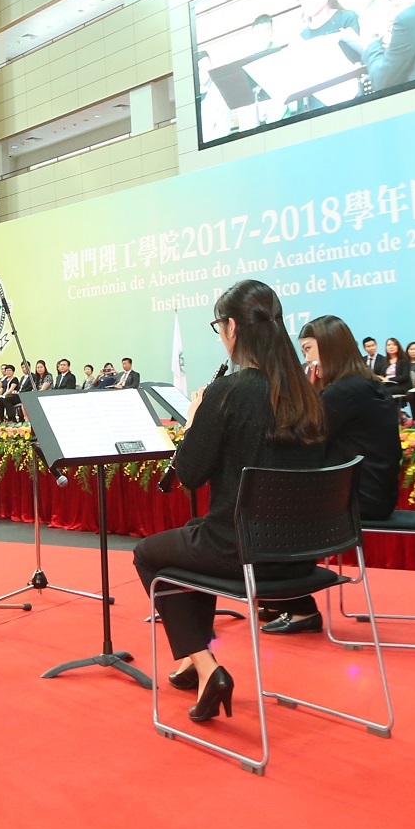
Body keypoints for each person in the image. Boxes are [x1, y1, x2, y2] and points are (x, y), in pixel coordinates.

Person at [132, 280, 326, 721]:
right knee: (190, 541)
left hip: (241, 551)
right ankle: (192, 662)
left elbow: (189, 474)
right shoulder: (307, 394)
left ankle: (207, 666)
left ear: (233, 328)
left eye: (219, 326)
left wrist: (196, 419)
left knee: (150, 556)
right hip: (301, 556)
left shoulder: (229, 392)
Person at [259, 315, 402, 635]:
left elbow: (305, 438)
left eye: (309, 349)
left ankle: (298, 607)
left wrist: (261, 431)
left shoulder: (344, 391)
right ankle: (278, 597)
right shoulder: (362, 383)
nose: (307, 358)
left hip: (362, 498)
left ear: (330, 347)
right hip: (377, 493)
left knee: (275, 508)